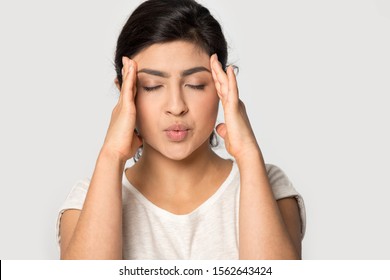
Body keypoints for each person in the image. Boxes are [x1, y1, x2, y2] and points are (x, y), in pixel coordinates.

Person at [56, 0, 306, 260]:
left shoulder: (268, 186)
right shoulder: (88, 200)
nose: (176, 107)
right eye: (152, 86)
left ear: (223, 87)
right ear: (124, 92)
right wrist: (111, 155)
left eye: (196, 84)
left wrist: (248, 154)